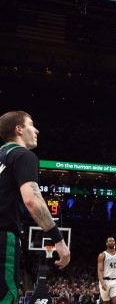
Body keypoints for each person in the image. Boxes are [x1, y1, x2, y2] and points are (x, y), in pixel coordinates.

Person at [0, 110, 71, 303]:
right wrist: (58, 239)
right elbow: (32, 199)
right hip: (3, 236)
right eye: (31, 124)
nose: (36, 130)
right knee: (7, 296)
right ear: (19, 129)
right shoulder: (23, 156)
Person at [98, 237, 116, 304]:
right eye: (109, 241)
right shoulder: (102, 255)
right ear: (106, 243)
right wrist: (102, 281)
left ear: (115, 243)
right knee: (106, 302)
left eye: (113, 241)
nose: (111, 242)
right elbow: (100, 270)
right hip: (105, 281)